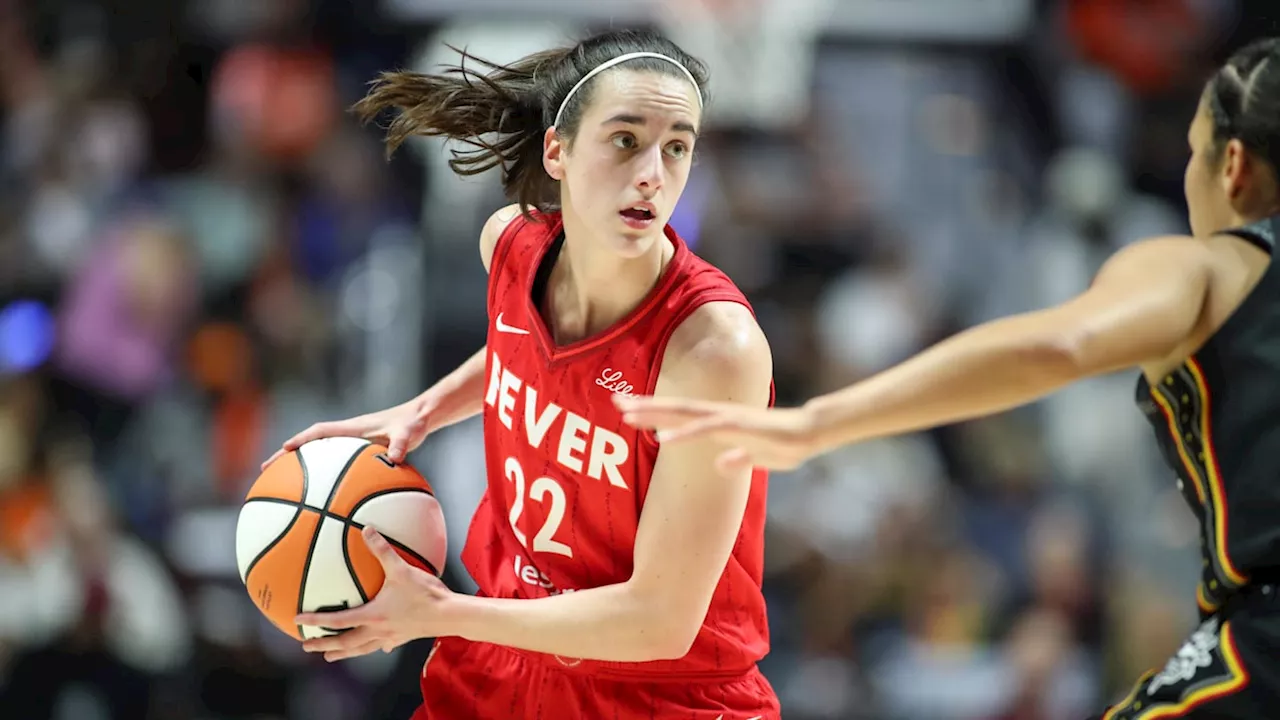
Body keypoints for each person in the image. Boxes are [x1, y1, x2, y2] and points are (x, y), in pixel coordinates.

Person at [617, 37, 1280, 719]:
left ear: (1232, 165)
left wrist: (818, 422)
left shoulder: (1210, 264)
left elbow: (1057, 345)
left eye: (1197, 152)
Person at [264, 29, 780, 720]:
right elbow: (530, 350)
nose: (654, 172)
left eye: (677, 146)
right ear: (557, 151)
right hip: (503, 661)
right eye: (626, 140)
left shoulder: (714, 350)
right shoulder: (509, 246)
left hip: (662, 694)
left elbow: (661, 618)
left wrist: (443, 611)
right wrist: (423, 407)